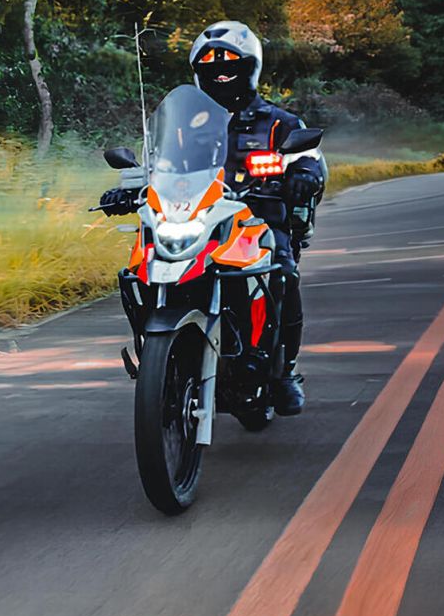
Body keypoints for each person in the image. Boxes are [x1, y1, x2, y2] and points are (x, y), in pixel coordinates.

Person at [99, 21, 327, 416]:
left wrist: (304, 176)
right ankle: (159, 355)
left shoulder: (280, 123)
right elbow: (159, 166)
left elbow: (309, 158)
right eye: (209, 65)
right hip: (196, 220)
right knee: (140, 267)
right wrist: (129, 188)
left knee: (282, 273)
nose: (220, 71)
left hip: (258, 221)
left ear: (250, 66)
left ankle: (283, 371)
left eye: (230, 63)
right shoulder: (184, 126)